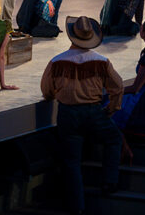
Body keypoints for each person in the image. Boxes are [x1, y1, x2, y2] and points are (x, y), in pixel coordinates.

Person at [41, 16, 124, 214]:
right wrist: (111, 109)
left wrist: (55, 95)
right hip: (94, 112)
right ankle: (109, 182)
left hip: (68, 114)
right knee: (114, 139)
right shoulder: (101, 61)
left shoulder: (57, 61)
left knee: (71, 161)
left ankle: (76, 207)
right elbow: (118, 86)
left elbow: (46, 89)